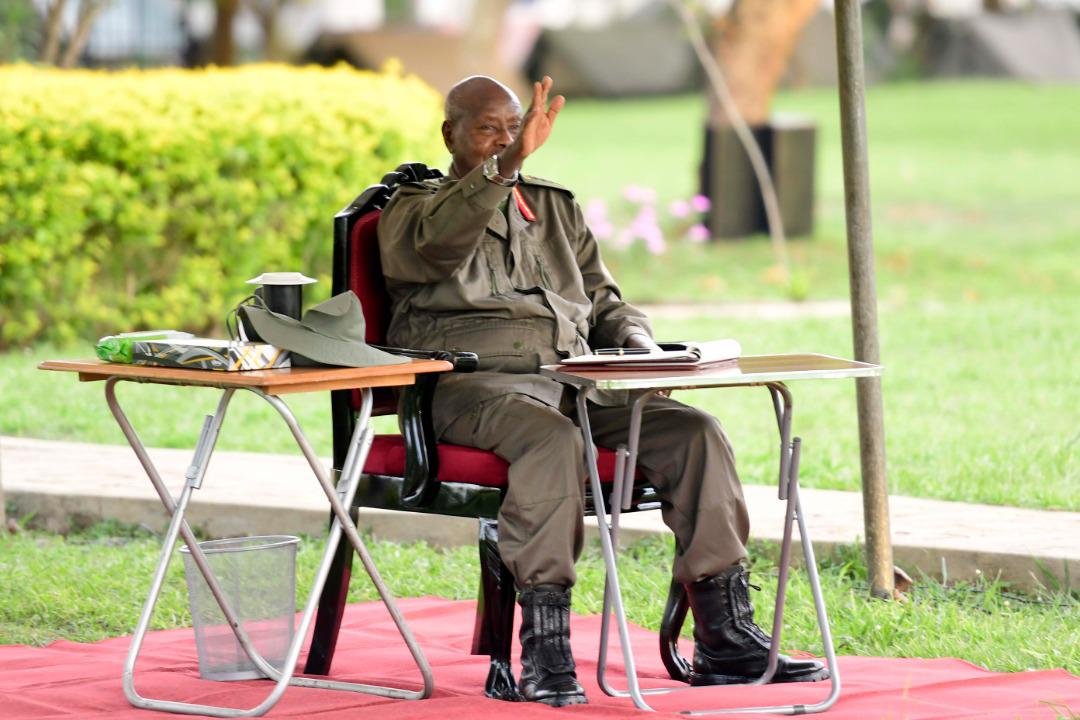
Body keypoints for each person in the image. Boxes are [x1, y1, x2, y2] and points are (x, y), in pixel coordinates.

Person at [377, 75, 828, 707]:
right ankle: (546, 649)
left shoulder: (554, 206)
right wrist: (506, 167)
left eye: (514, 128)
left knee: (694, 434)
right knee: (549, 440)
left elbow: (603, 300)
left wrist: (641, 347)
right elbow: (434, 250)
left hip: (576, 383)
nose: (506, 140)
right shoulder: (412, 210)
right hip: (476, 389)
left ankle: (725, 639)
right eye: (488, 130)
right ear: (449, 133)